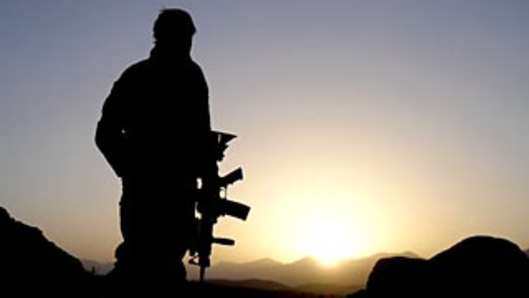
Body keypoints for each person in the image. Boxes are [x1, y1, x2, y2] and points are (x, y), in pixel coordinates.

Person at [95, 8, 216, 295]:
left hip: (178, 195)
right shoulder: (137, 78)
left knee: (167, 271)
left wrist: (207, 181)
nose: (186, 47)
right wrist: (132, 170)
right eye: (182, 39)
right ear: (161, 38)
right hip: (145, 198)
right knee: (139, 266)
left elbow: (202, 136)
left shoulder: (192, 76)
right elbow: (104, 133)